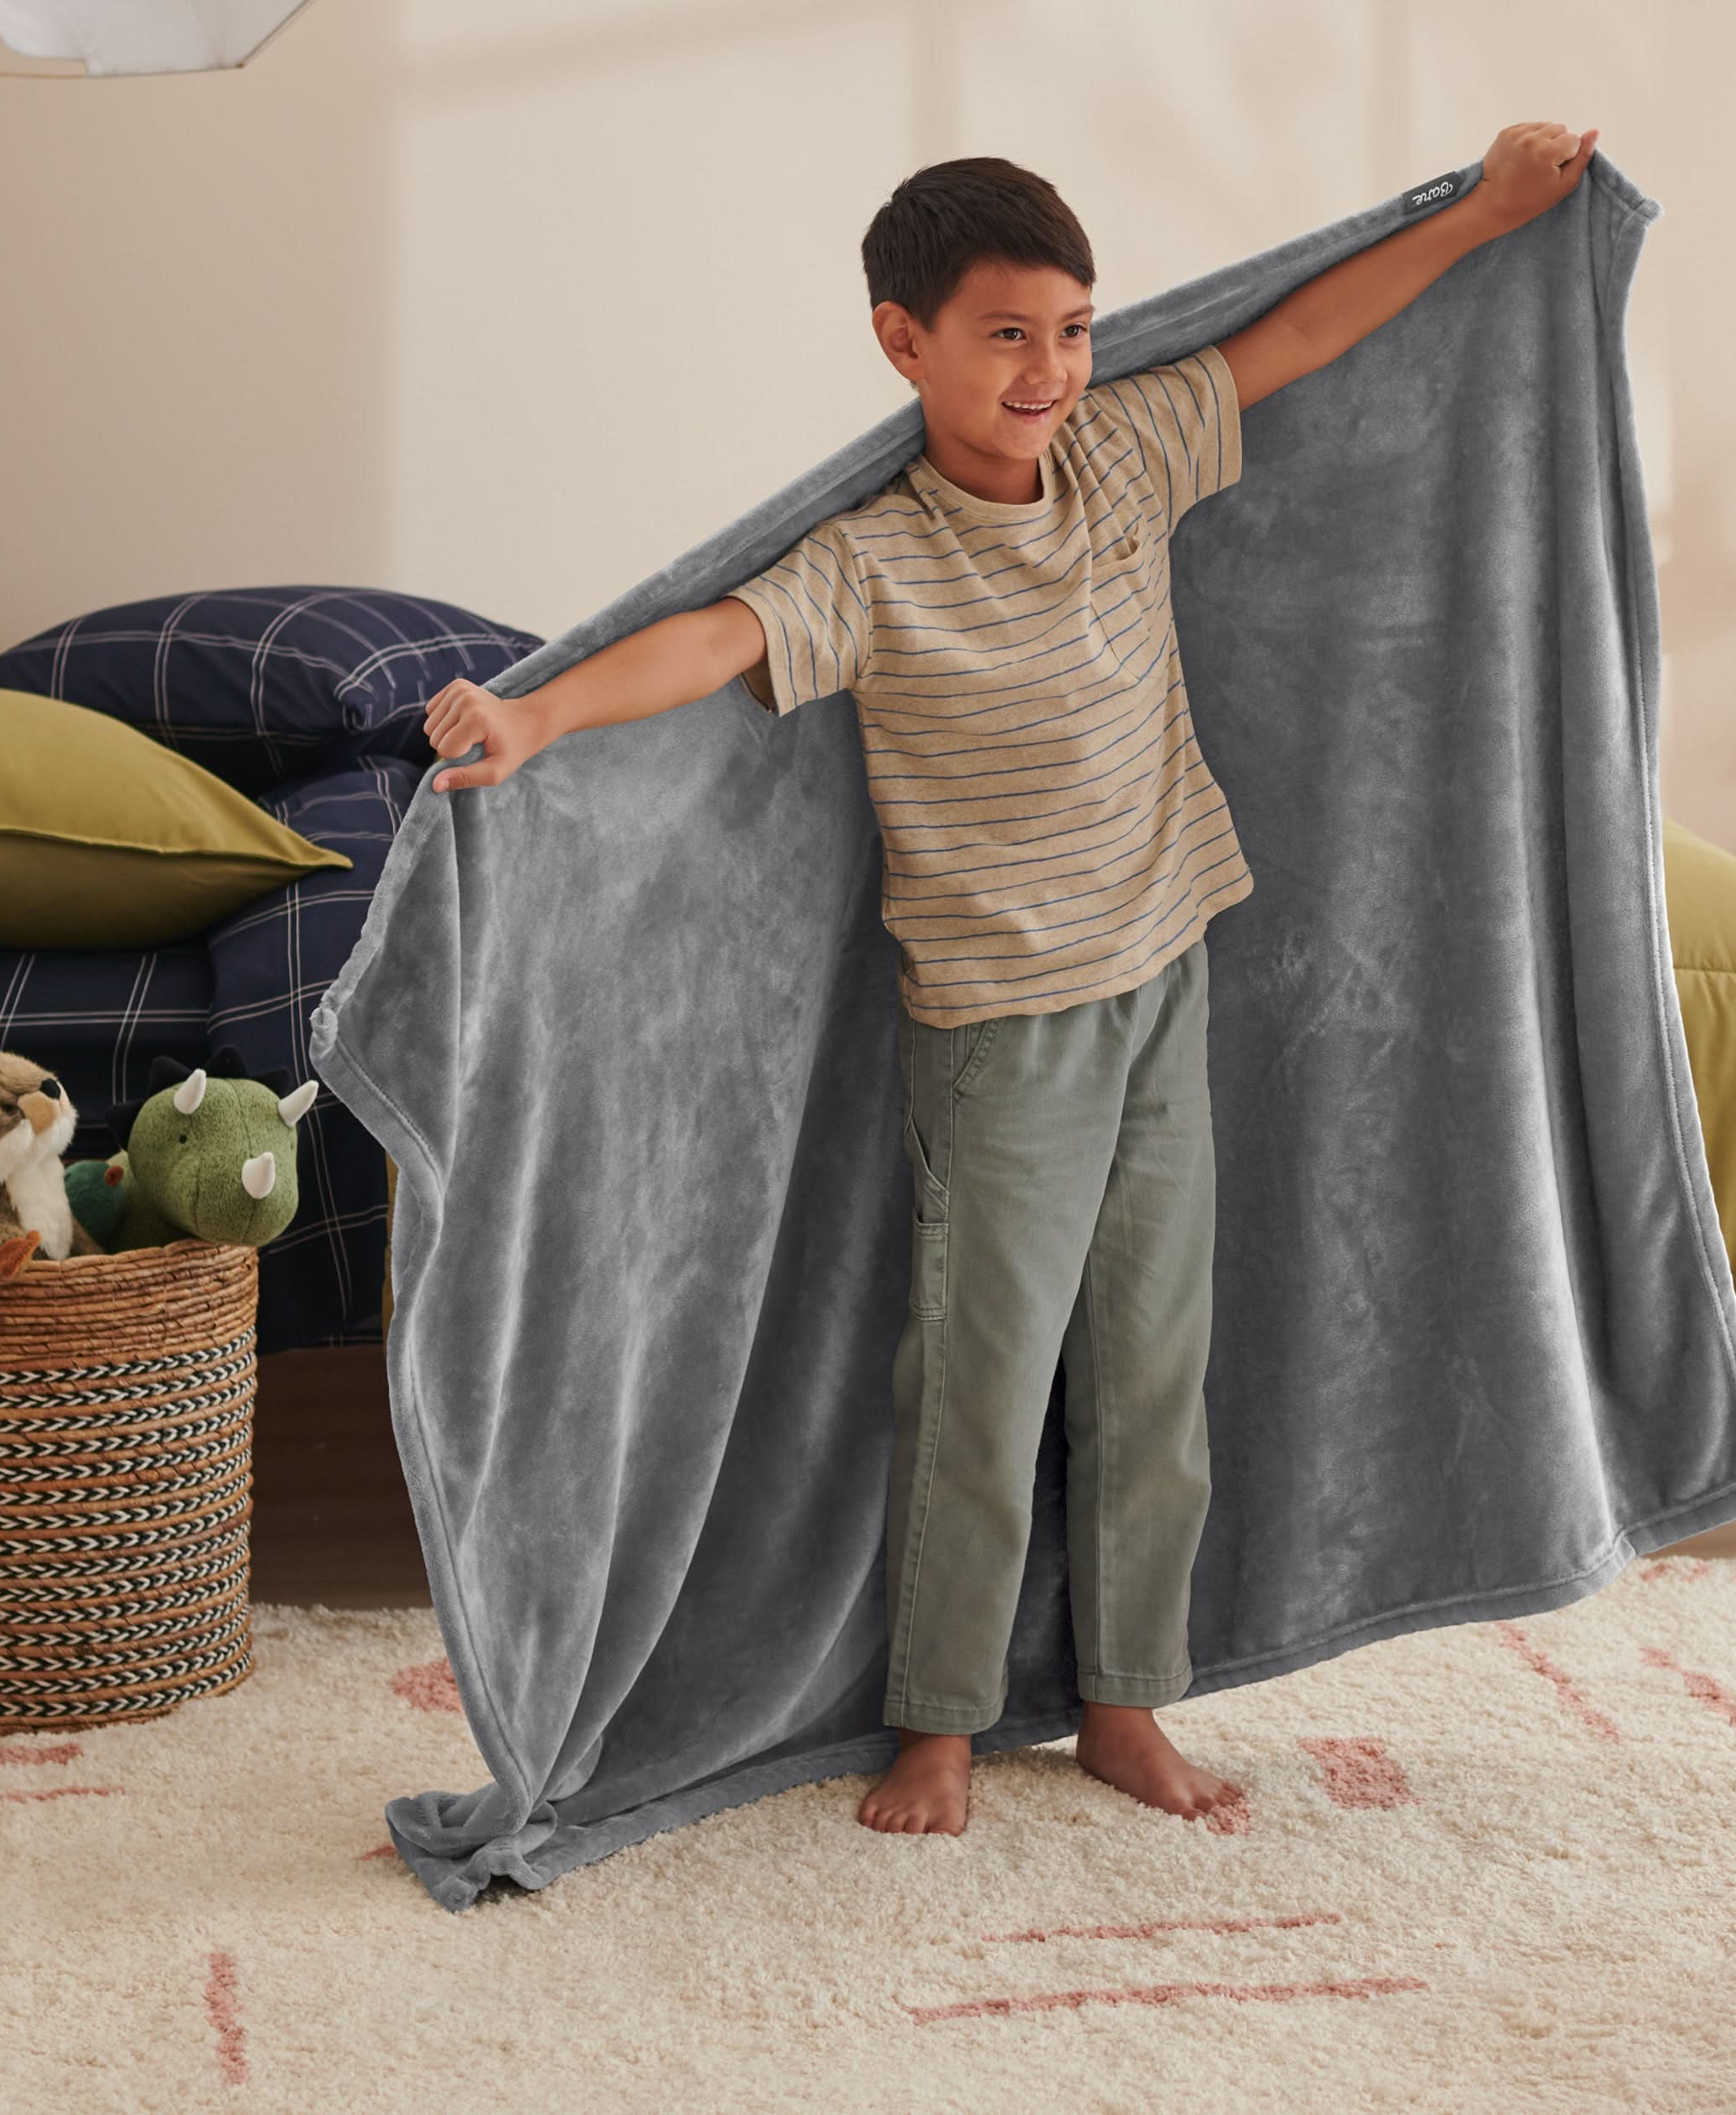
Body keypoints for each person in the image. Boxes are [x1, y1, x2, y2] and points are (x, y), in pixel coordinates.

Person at [420, 120, 1598, 1838]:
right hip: (996, 1031)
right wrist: (534, 715)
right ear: (902, 342)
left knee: (1150, 1372)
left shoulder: (1122, 453)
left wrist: (1489, 214)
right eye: (1003, 334)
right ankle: (940, 1724)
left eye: (1071, 328)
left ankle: (1124, 1702)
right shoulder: (875, 562)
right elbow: (713, 638)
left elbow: (1295, 336)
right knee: (982, 1384)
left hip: (1161, 972)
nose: (1047, 369)